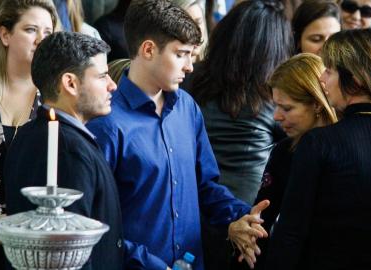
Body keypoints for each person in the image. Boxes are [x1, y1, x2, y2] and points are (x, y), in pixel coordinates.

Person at [86, 1, 269, 269]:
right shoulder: (106, 123)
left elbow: (205, 186)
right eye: (181, 54)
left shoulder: (187, 107)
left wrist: (242, 217)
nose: (190, 67)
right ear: (148, 49)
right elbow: (97, 225)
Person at [3, 31, 123, 270]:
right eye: (102, 76)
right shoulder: (67, 150)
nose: (113, 85)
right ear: (70, 83)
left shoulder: (32, 133)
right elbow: (68, 253)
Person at [265, 29, 371, 270]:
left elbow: (290, 235)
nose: (322, 79)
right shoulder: (302, 145)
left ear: (355, 81)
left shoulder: (319, 143)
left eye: (330, 70)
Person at [0, 1, 56, 269]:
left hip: (36, 243)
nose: (41, 40)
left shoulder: (56, 101)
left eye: (48, 33)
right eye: (31, 30)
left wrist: (18, 220)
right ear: (5, 35)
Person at [190, 0, 292, 205]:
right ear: (277, 47)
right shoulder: (275, 97)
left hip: (192, 202)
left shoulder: (189, 78)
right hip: (246, 208)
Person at [252, 53, 337, 270]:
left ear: (317, 104)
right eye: (276, 106)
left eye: (287, 108)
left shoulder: (346, 149)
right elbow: (263, 216)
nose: (276, 117)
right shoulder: (284, 151)